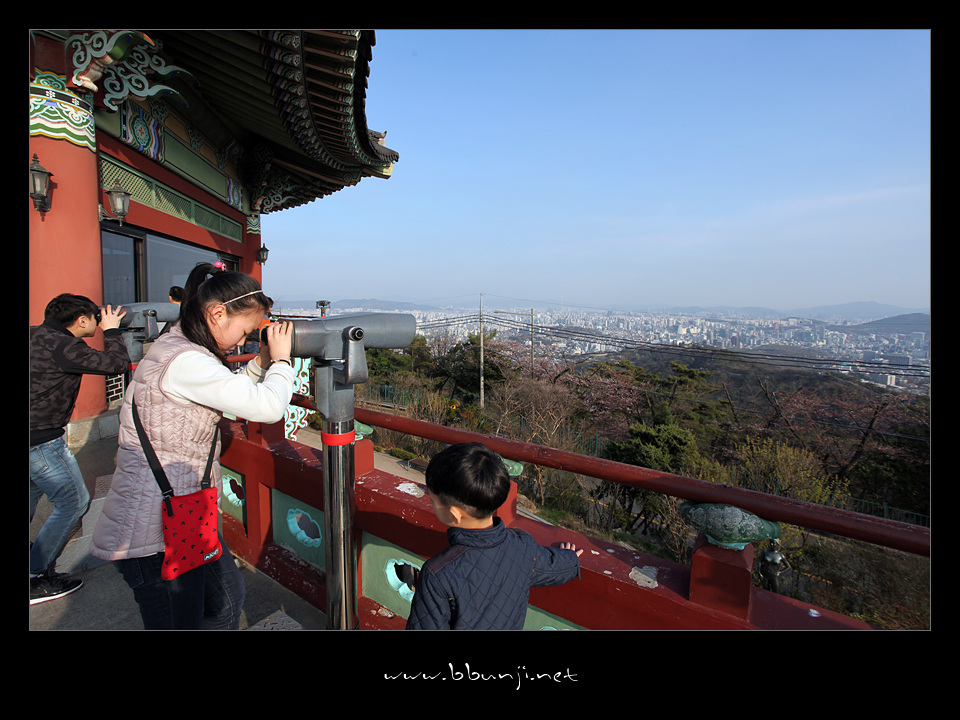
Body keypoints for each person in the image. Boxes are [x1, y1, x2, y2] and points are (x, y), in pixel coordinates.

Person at [90, 262, 295, 629]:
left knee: (226, 601)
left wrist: (260, 364)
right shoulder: (186, 361)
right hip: (154, 529)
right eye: (245, 331)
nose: (244, 342)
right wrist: (281, 359)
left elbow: (222, 389)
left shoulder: (179, 344)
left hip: (182, 513)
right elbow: (267, 407)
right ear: (217, 314)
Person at [406, 442, 582, 630]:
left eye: (433, 500)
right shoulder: (522, 546)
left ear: (454, 514)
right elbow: (553, 568)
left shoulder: (437, 574)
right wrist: (570, 558)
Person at [30, 294, 130, 604]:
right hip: (41, 440)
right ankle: (35, 576)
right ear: (82, 320)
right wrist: (112, 331)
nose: (98, 322)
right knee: (73, 502)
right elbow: (117, 364)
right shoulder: (66, 346)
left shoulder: (34, 334)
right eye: (95, 318)